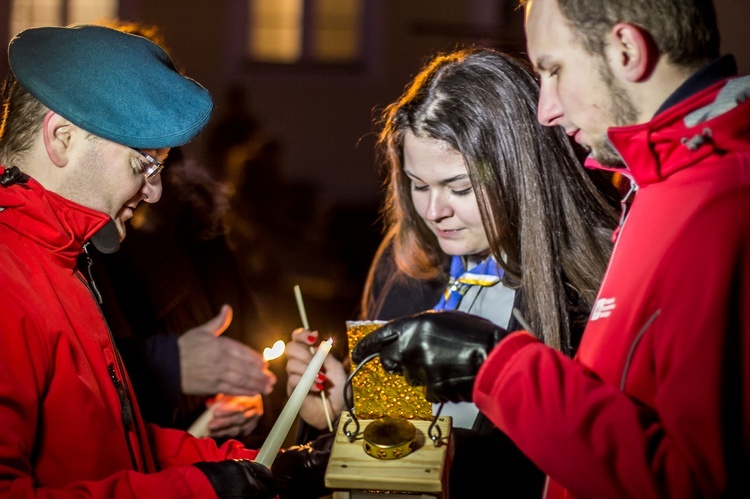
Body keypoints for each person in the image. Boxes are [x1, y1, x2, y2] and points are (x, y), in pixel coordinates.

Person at [352, 0, 750, 497]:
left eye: (554, 69)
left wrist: (492, 367)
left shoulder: (722, 202)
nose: (546, 110)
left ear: (627, 49)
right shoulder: (646, 190)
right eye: (418, 185)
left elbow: (691, 479)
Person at [0, 24, 329, 497]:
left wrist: (259, 464)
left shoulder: (61, 260)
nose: (154, 191)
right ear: (63, 139)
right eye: (143, 164)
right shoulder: (10, 278)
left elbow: (114, 444)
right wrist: (201, 490)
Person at [287, 47, 620, 497]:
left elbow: (589, 461)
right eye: (417, 184)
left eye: (459, 187)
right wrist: (341, 407)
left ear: (519, 172)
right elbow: (393, 434)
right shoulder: (408, 261)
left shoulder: (591, 287)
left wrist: (452, 459)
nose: (433, 210)